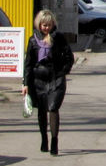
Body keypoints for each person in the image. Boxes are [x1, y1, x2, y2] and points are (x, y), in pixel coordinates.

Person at [22, 9, 74, 156]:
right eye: (44, 25)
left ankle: (54, 140)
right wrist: (25, 84)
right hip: (38, 81)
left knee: (53, 108)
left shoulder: (58, 38)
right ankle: (44, 138)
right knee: (42, 111)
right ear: (39, 24)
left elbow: (69, 57)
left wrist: (63, 71)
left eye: (49, 25)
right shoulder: (33, 40)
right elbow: (28, 64)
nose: (46, 28)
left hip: (55, 80)